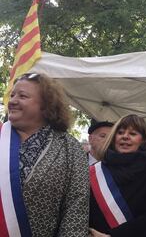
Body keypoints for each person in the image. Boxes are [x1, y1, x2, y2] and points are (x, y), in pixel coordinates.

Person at [0, 73, 89, 236]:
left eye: (23, 96)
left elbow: (76, 208)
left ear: (46, 104)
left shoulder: (70, 148)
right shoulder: (1, 136)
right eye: (12, 95)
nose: (12, 101)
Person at [89, 114, 146, 237]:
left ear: (142, 140)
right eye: (120, 132)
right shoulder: (95, 171)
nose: (125, 137)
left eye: (132, 134)